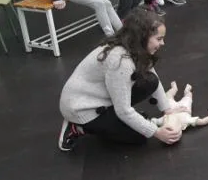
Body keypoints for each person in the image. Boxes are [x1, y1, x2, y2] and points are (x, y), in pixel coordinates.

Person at [58, 8, 182, 151]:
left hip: (102, 97)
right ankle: (77, 127)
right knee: (139, 136)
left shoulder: (135, 48)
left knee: (150, 81)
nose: (163, 43)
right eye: (159, 39)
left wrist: (168, 110)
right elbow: (123, 111)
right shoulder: (120, 61)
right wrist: (156, 132)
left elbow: (152, 74)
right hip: (81, 108)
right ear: (142, 37)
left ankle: (112, 121)